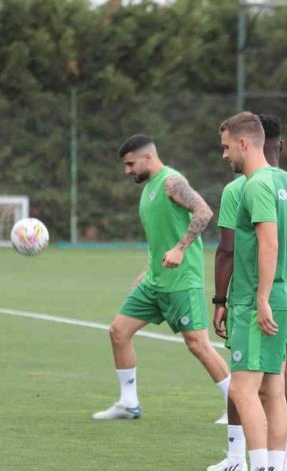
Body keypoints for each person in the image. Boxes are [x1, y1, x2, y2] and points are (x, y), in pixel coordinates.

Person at [207, 114, 287, 471]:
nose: (224, 155)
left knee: (243, 386)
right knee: (280, 381)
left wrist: (226, 299)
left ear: (246, 143)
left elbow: (233, 250)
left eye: (226, 147)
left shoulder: (246, 186)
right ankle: (285, 462)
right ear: (280, 145)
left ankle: (246, 465)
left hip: (257, 297)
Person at [92, 134, 230, 422]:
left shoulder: (171, 181)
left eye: (130, 164)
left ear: (147, 157)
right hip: (154, 282)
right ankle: (128, 403)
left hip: (181, 282)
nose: (127, 170)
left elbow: (204, 211)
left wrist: (180, 248)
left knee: (198, 344)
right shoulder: (148, 190)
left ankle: (237, 404)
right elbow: (160, 238)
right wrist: (148, 270)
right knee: (119, 331)